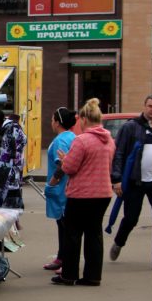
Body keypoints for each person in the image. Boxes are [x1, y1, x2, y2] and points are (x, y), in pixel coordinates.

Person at [49, 98, 115, 285]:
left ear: (84, 119)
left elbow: (70, 167)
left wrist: (64, 159)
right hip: (103, 193)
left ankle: (69, 274)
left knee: (73, 235)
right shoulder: (108, 140)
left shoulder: (82, 140)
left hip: (81, 194)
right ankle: (93, 276)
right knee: (95, 235)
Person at [110, 94, 152, 272]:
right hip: (135, 181)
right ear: (145, 106)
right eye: (151, 106)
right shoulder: (131, 127)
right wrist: (116, 179)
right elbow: (118, 154)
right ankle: (119, 242)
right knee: (131, 218)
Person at [42, 107, 77, 271]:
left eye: (52, 119)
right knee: (63, 226)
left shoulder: (61, 140)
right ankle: (61, 256)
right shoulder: (72, 136)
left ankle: (66, 260)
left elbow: (62, 165)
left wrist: (52, 183)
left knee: (65, 226)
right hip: (67, 189)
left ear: (57, 122)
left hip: (61, 190)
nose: (51, 122)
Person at [0, 113, 26, 210]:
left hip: (6, 169)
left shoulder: (9, 127)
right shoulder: (14, 127)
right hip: (12, 170)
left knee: (2, 199)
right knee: (9, 201)